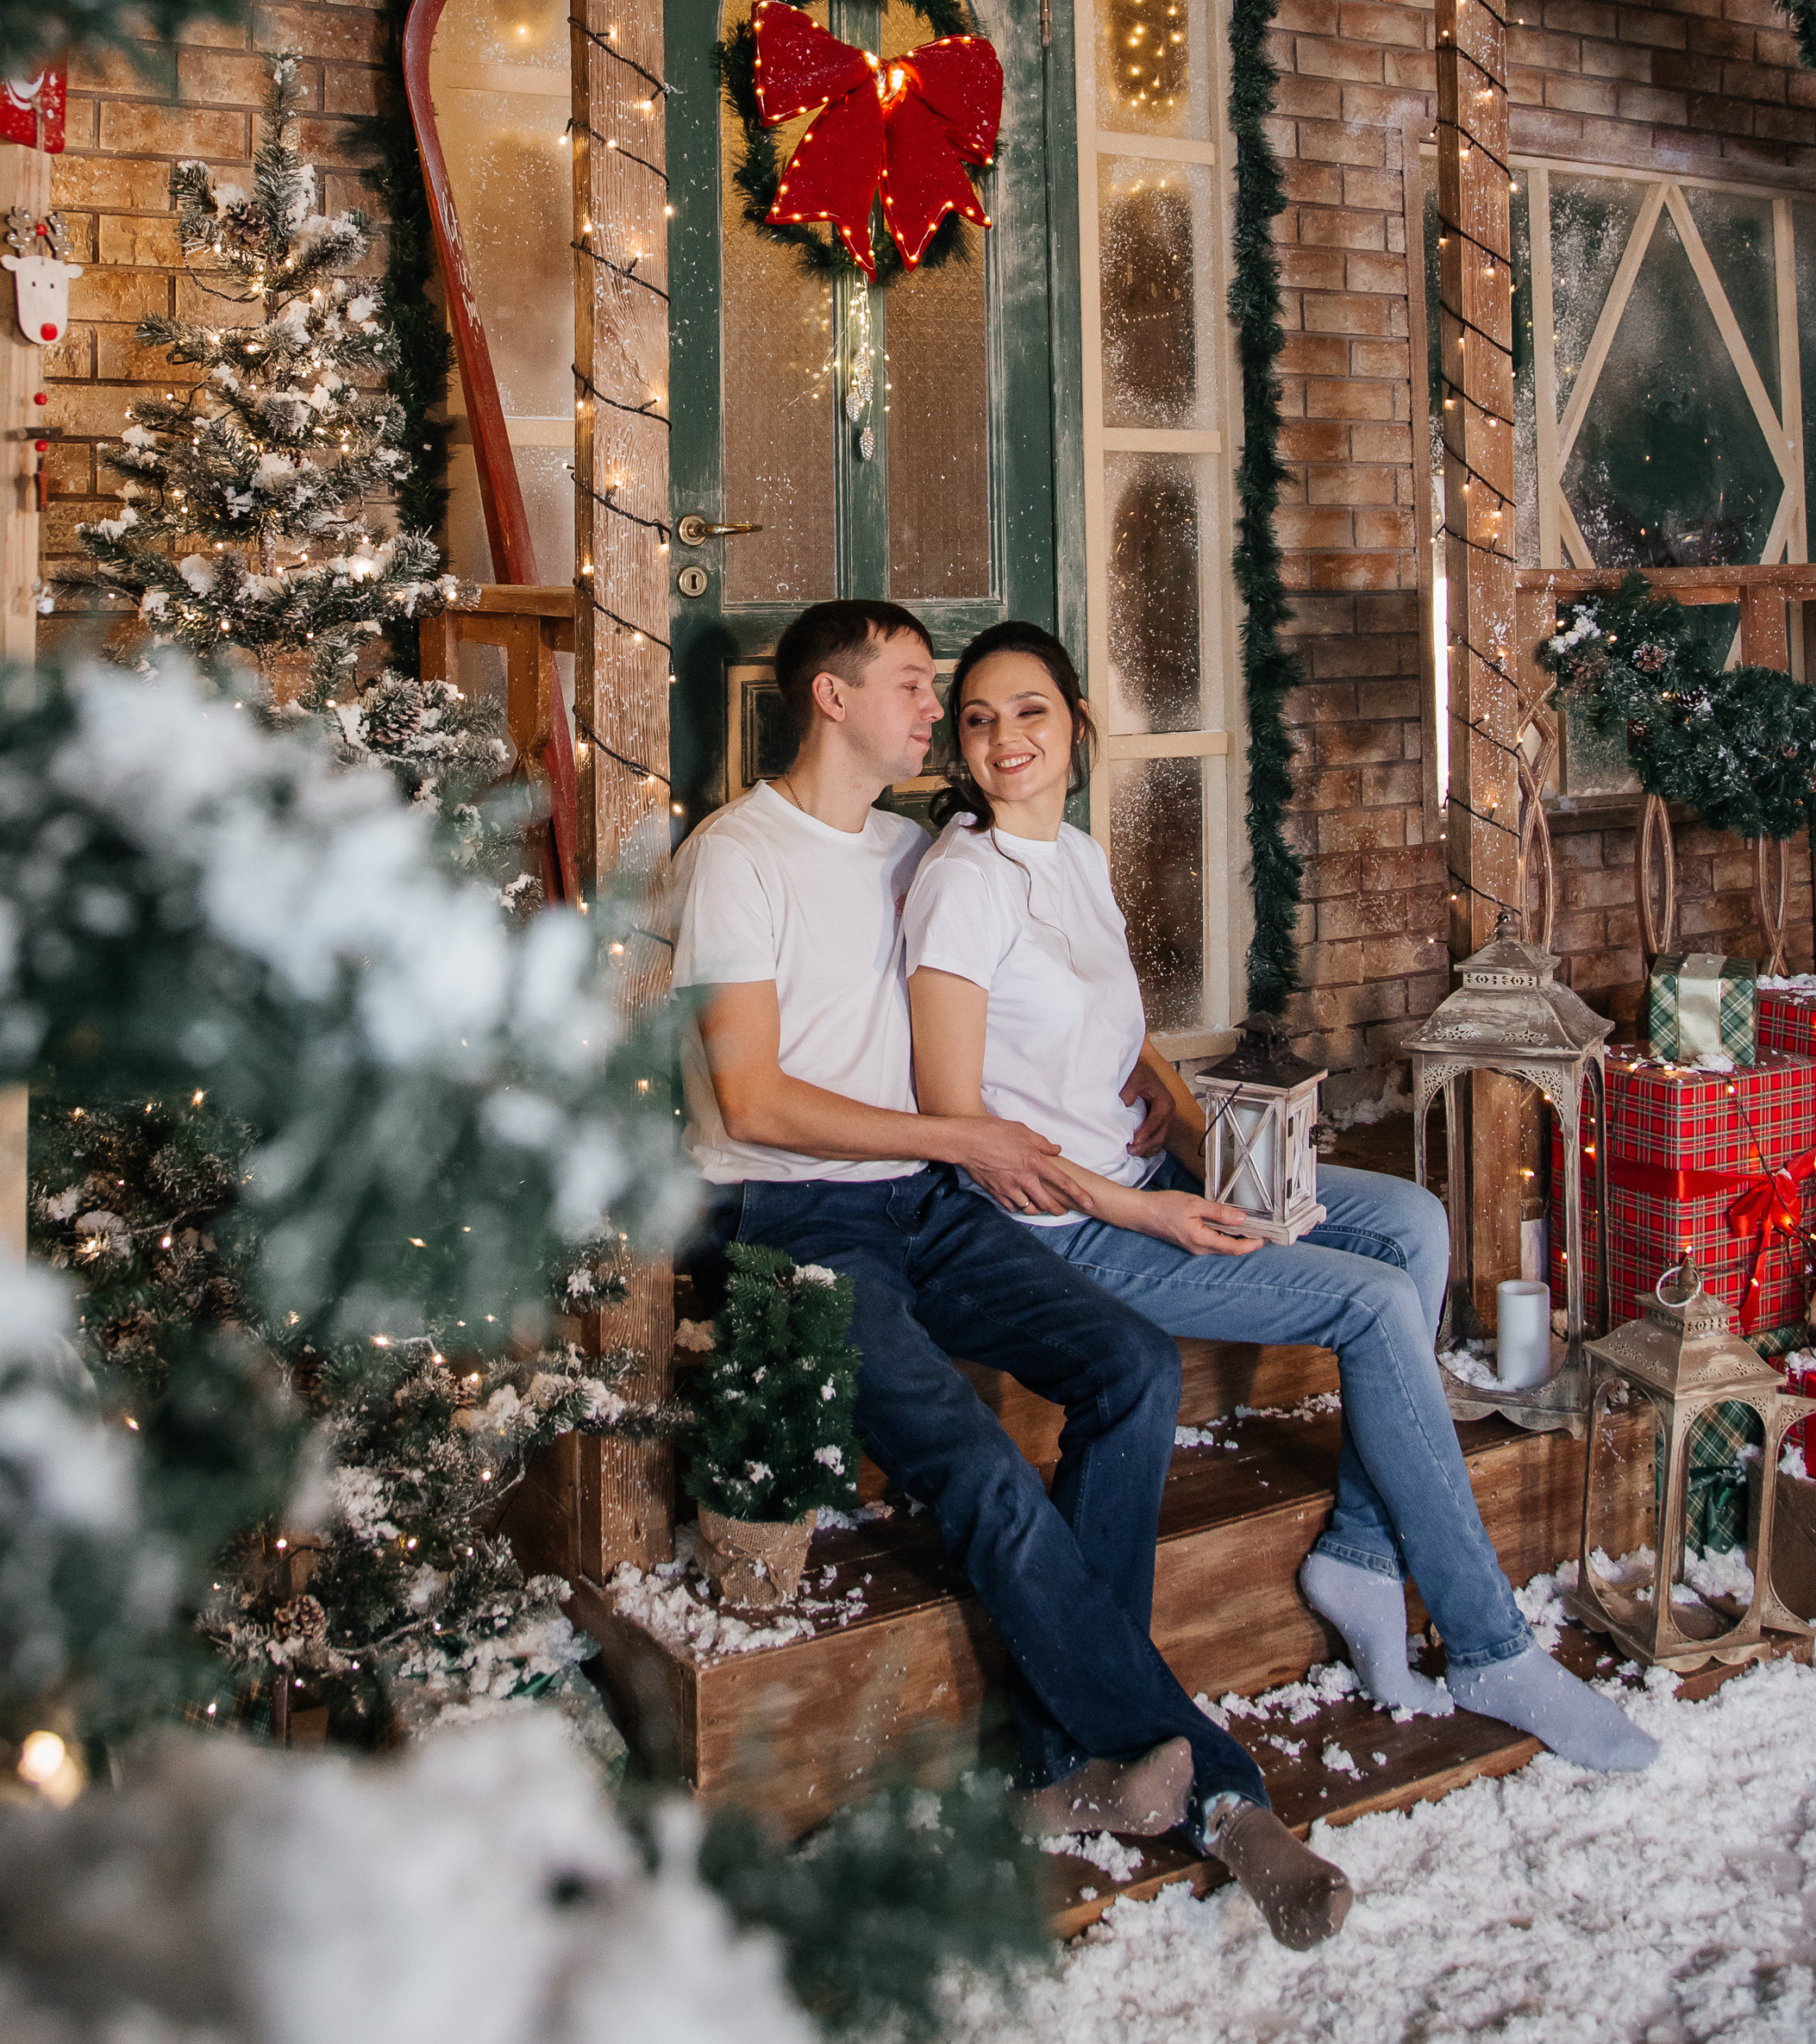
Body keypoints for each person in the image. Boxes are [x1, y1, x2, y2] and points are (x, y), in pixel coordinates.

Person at [669, 597, 1357, 1947]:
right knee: (978, 1464)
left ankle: (1071, 1760)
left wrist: (1149, 1092)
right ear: (832, 697)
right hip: (798, 1219)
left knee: (1126, 1365)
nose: (941, 715)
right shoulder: (733, 857)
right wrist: (963, 1135)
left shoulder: (915, 848)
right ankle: (1216, 1794)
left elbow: (1032, 969)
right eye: (919, 687)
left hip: (924, 1199)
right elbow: (749, 1097)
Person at [904, 616, 1657, 1776]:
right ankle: (1488, 1640)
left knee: (1413, 1220)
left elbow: (1119, 1031)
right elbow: (963, 1123)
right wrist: (1140, 1208)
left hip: (1145, 1173)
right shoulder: (963, 885)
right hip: (1062, 1231)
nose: (1006, 737)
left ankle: (1358, 1552)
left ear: (1075, 726)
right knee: (1367, 1305)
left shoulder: (1073, 853)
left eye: (1030, 711)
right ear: (960, 744)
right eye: (979, 719)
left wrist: (1197, 1134)